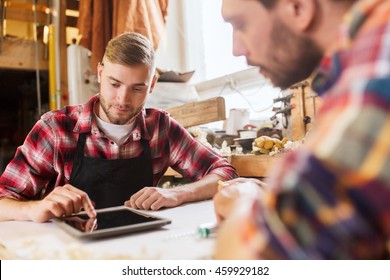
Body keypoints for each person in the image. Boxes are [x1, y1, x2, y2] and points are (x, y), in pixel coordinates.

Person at [213, 0, 390, 259]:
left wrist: (246, 201)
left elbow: (253, 257)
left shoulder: (379, 56)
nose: (235, 49)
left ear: (298, 7)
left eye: (240, 24)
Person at [0, 32, 238, 223]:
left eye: (137, 88)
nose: (123, 99)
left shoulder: (160, 128)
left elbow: (224, 172)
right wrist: (35, 209)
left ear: (152, 84)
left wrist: (178, 194)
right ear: (100, 73)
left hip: (138, 249)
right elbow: (3, 200)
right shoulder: (55, 128)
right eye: (115, 84)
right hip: (70, 254)